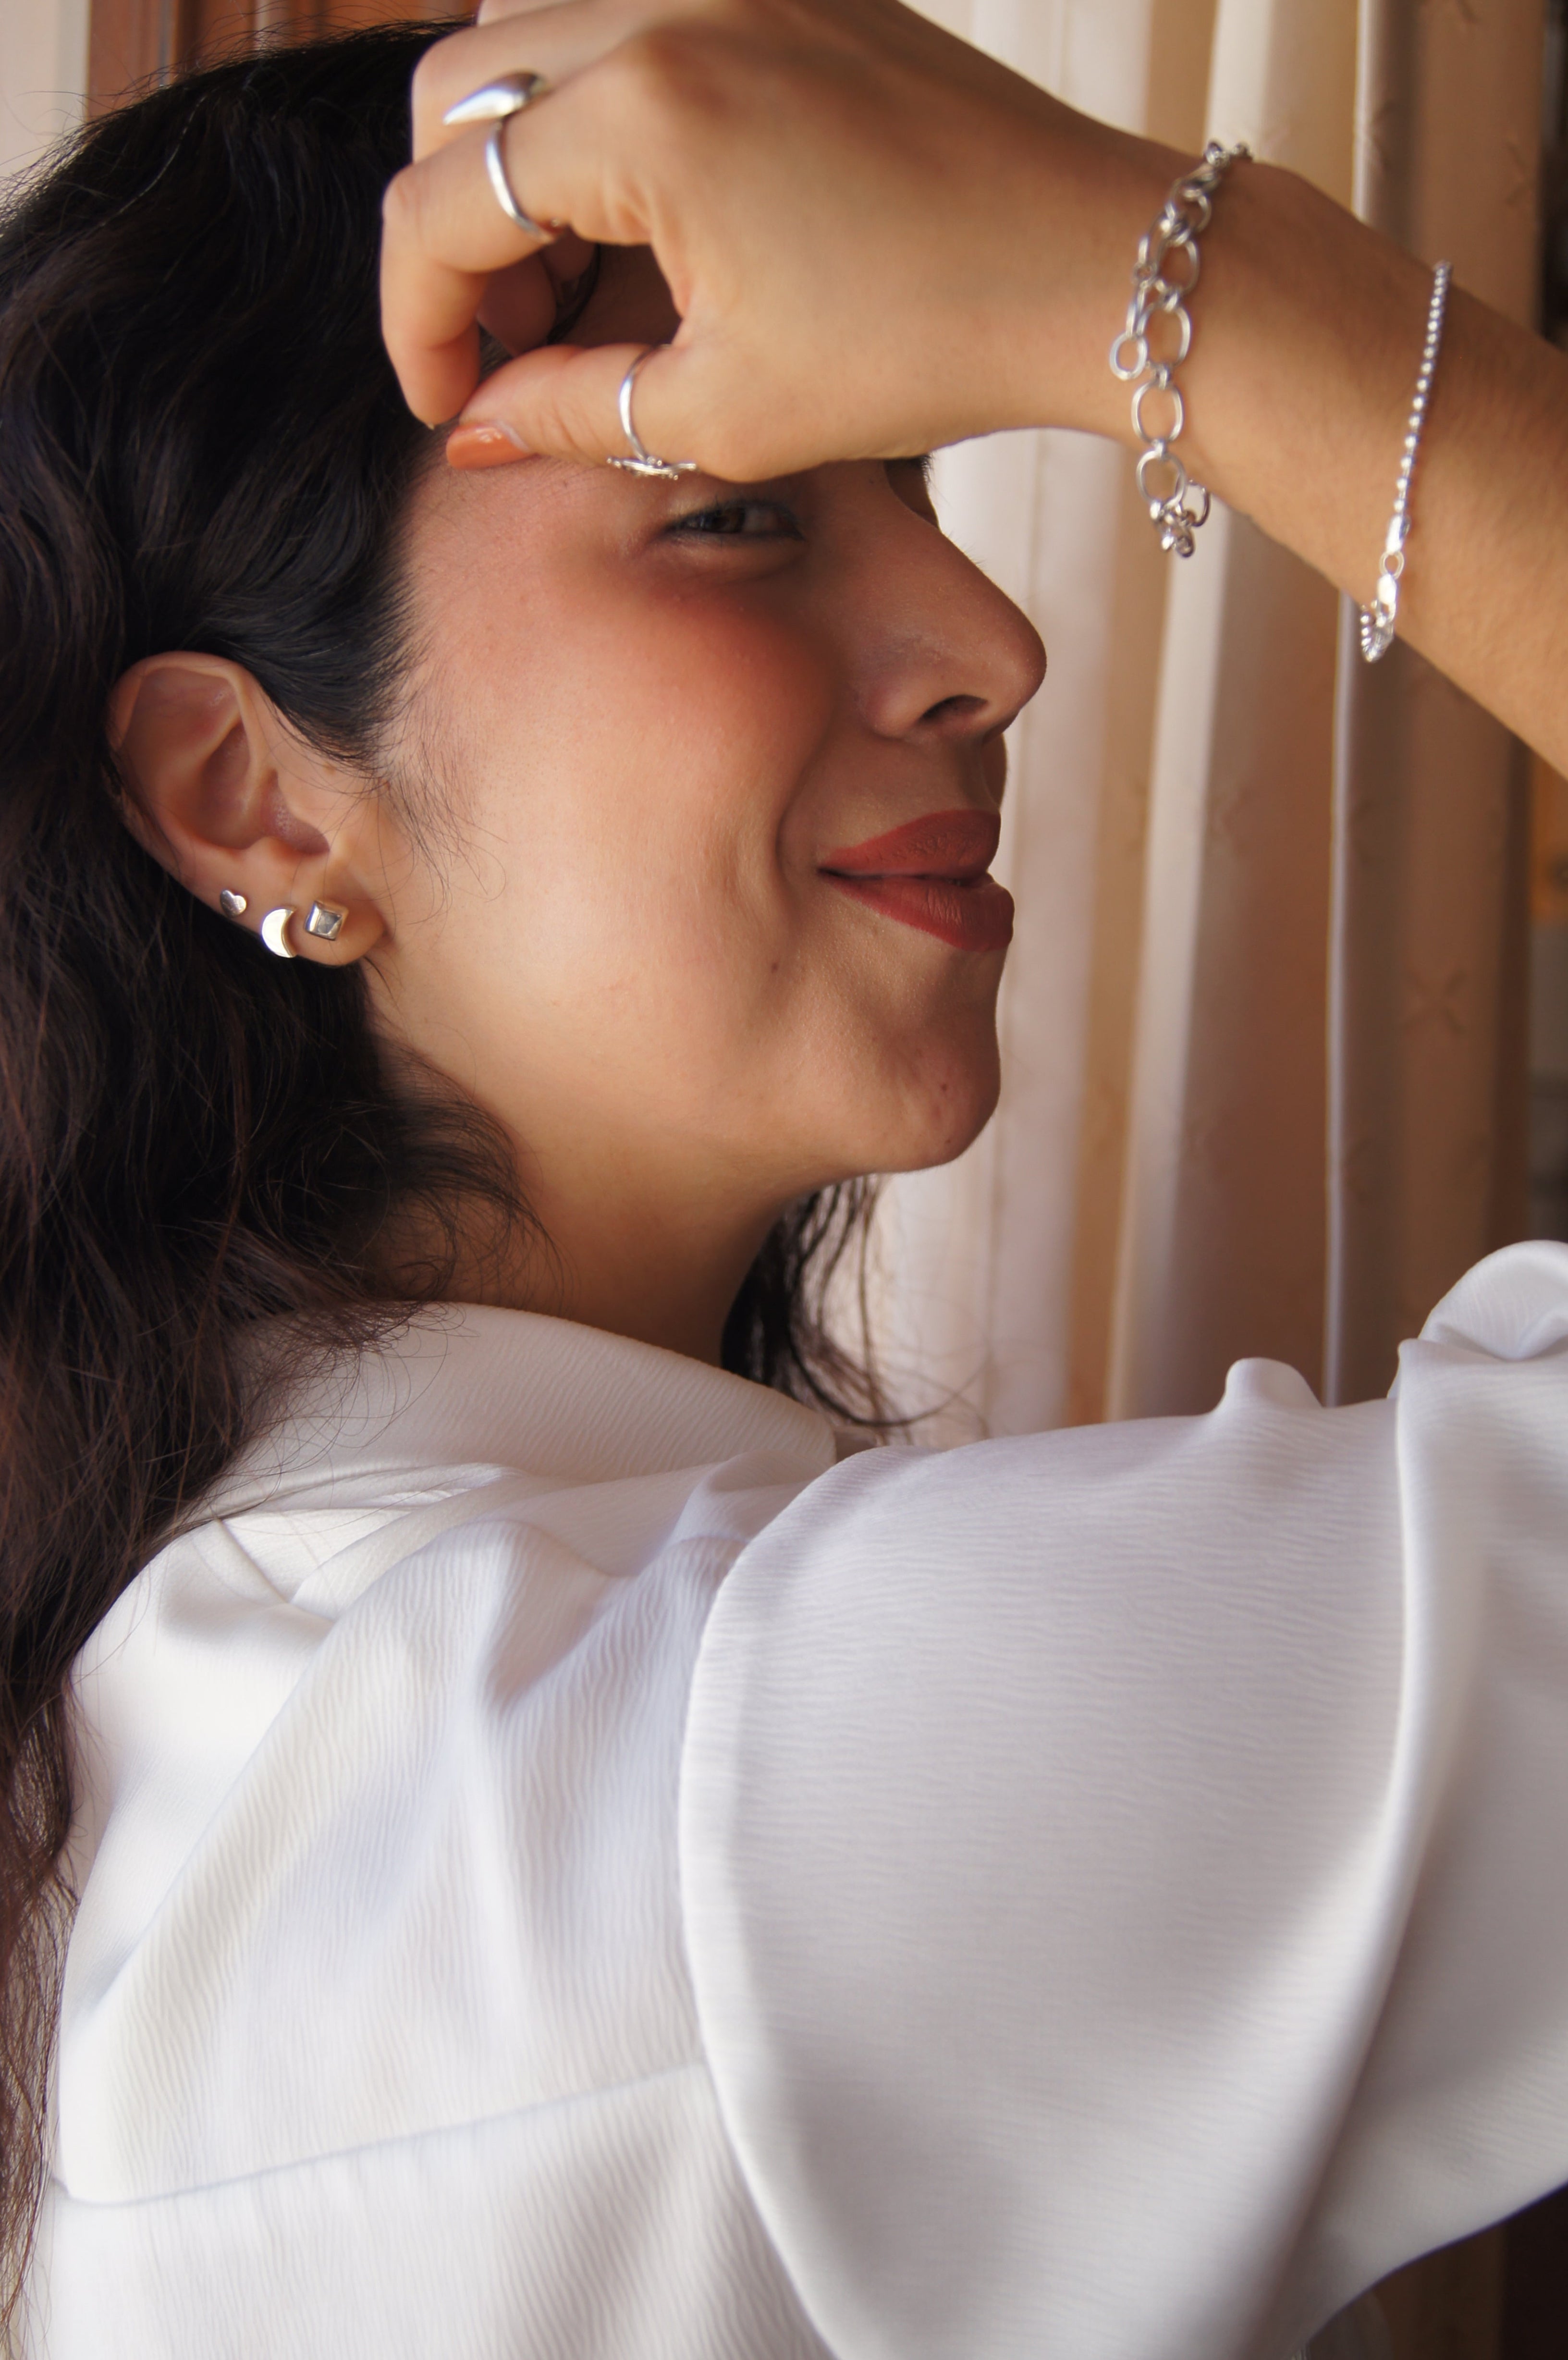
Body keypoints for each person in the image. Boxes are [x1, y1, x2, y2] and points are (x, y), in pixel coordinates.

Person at [4, 12, 1566, 2360]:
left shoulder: (208, 1709)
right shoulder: (741, 1801)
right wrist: (1173, 278)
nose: (996, 651)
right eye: (733, 509)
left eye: (917, 484)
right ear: (256, 791)